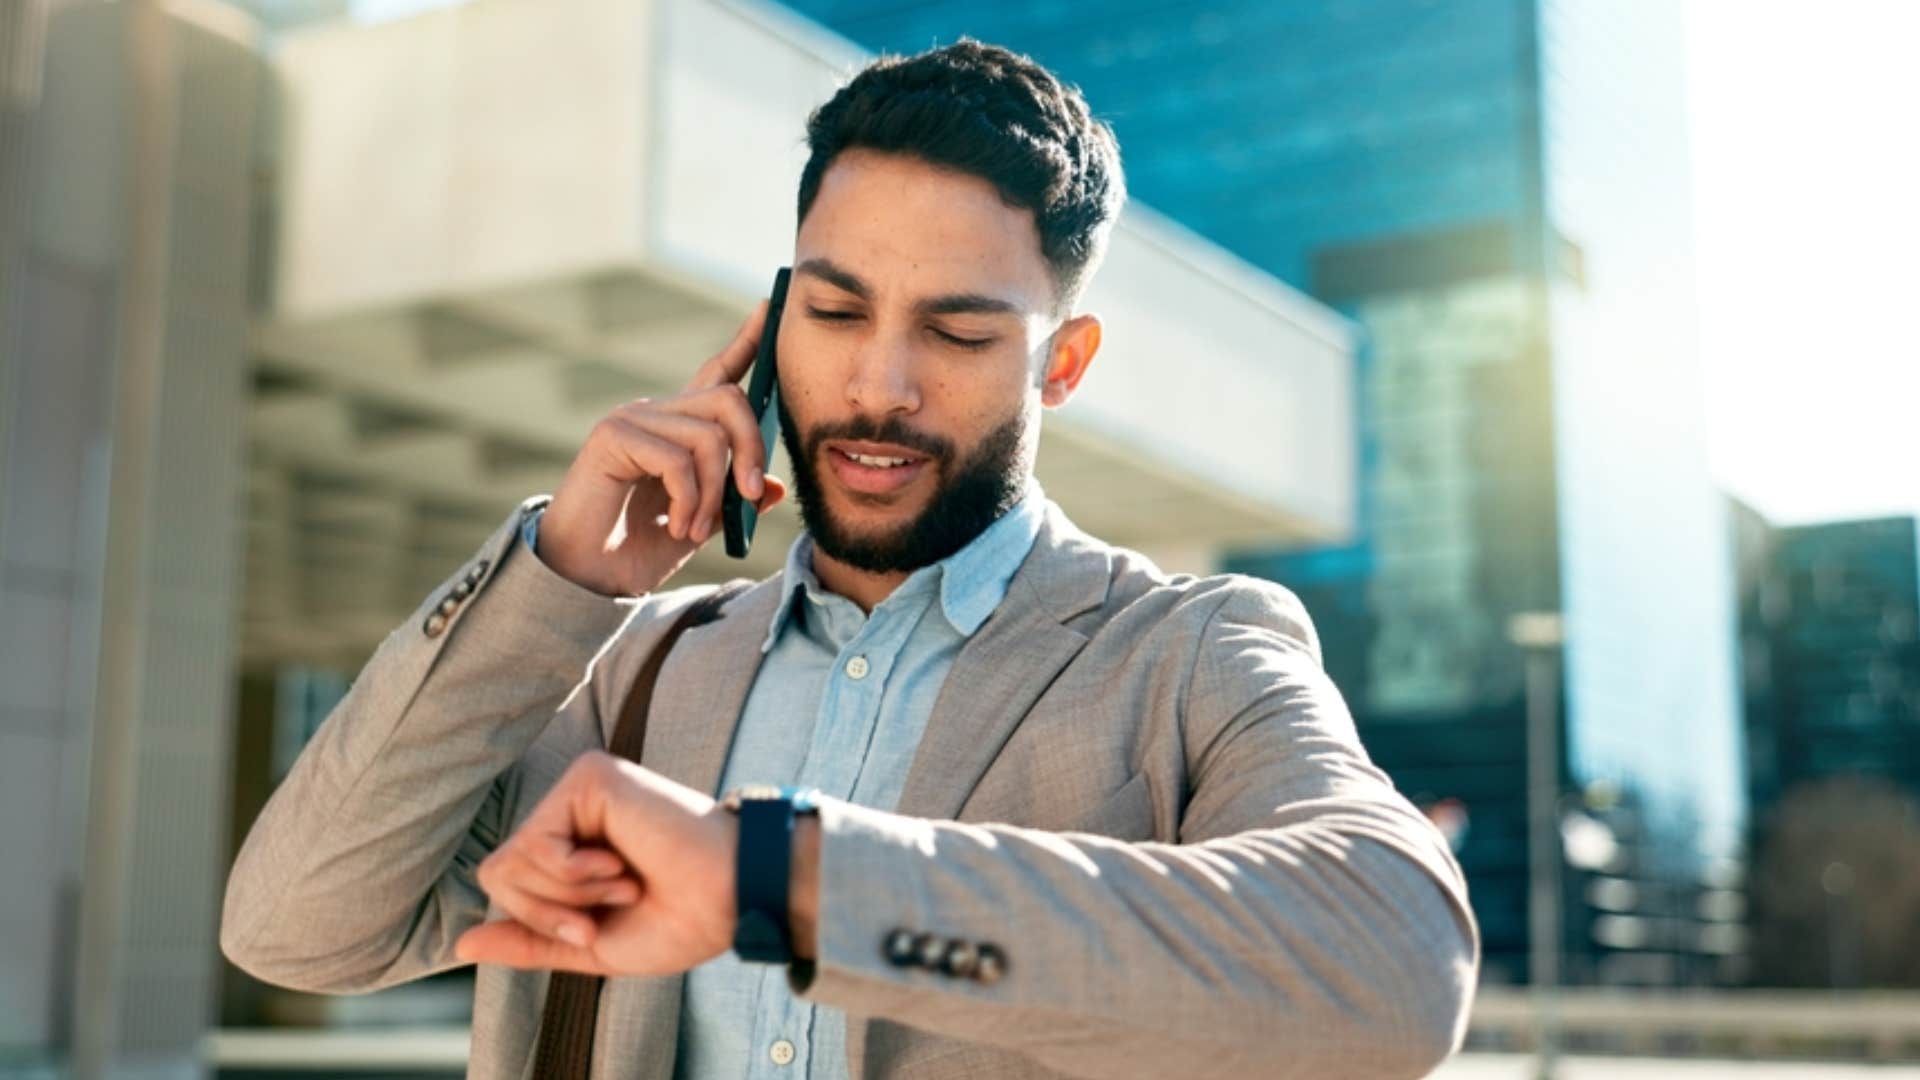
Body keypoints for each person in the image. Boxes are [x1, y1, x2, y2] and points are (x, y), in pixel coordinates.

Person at [222, 39, 1478, 1080]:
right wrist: (564, 576)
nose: (878, 386)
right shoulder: (638, 671)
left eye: (959, 331)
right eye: (833, 312)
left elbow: (1397, 969)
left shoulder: (1185, 655)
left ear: (1064, 363)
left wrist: (783, 878)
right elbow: (294, 929)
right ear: (772, 326)